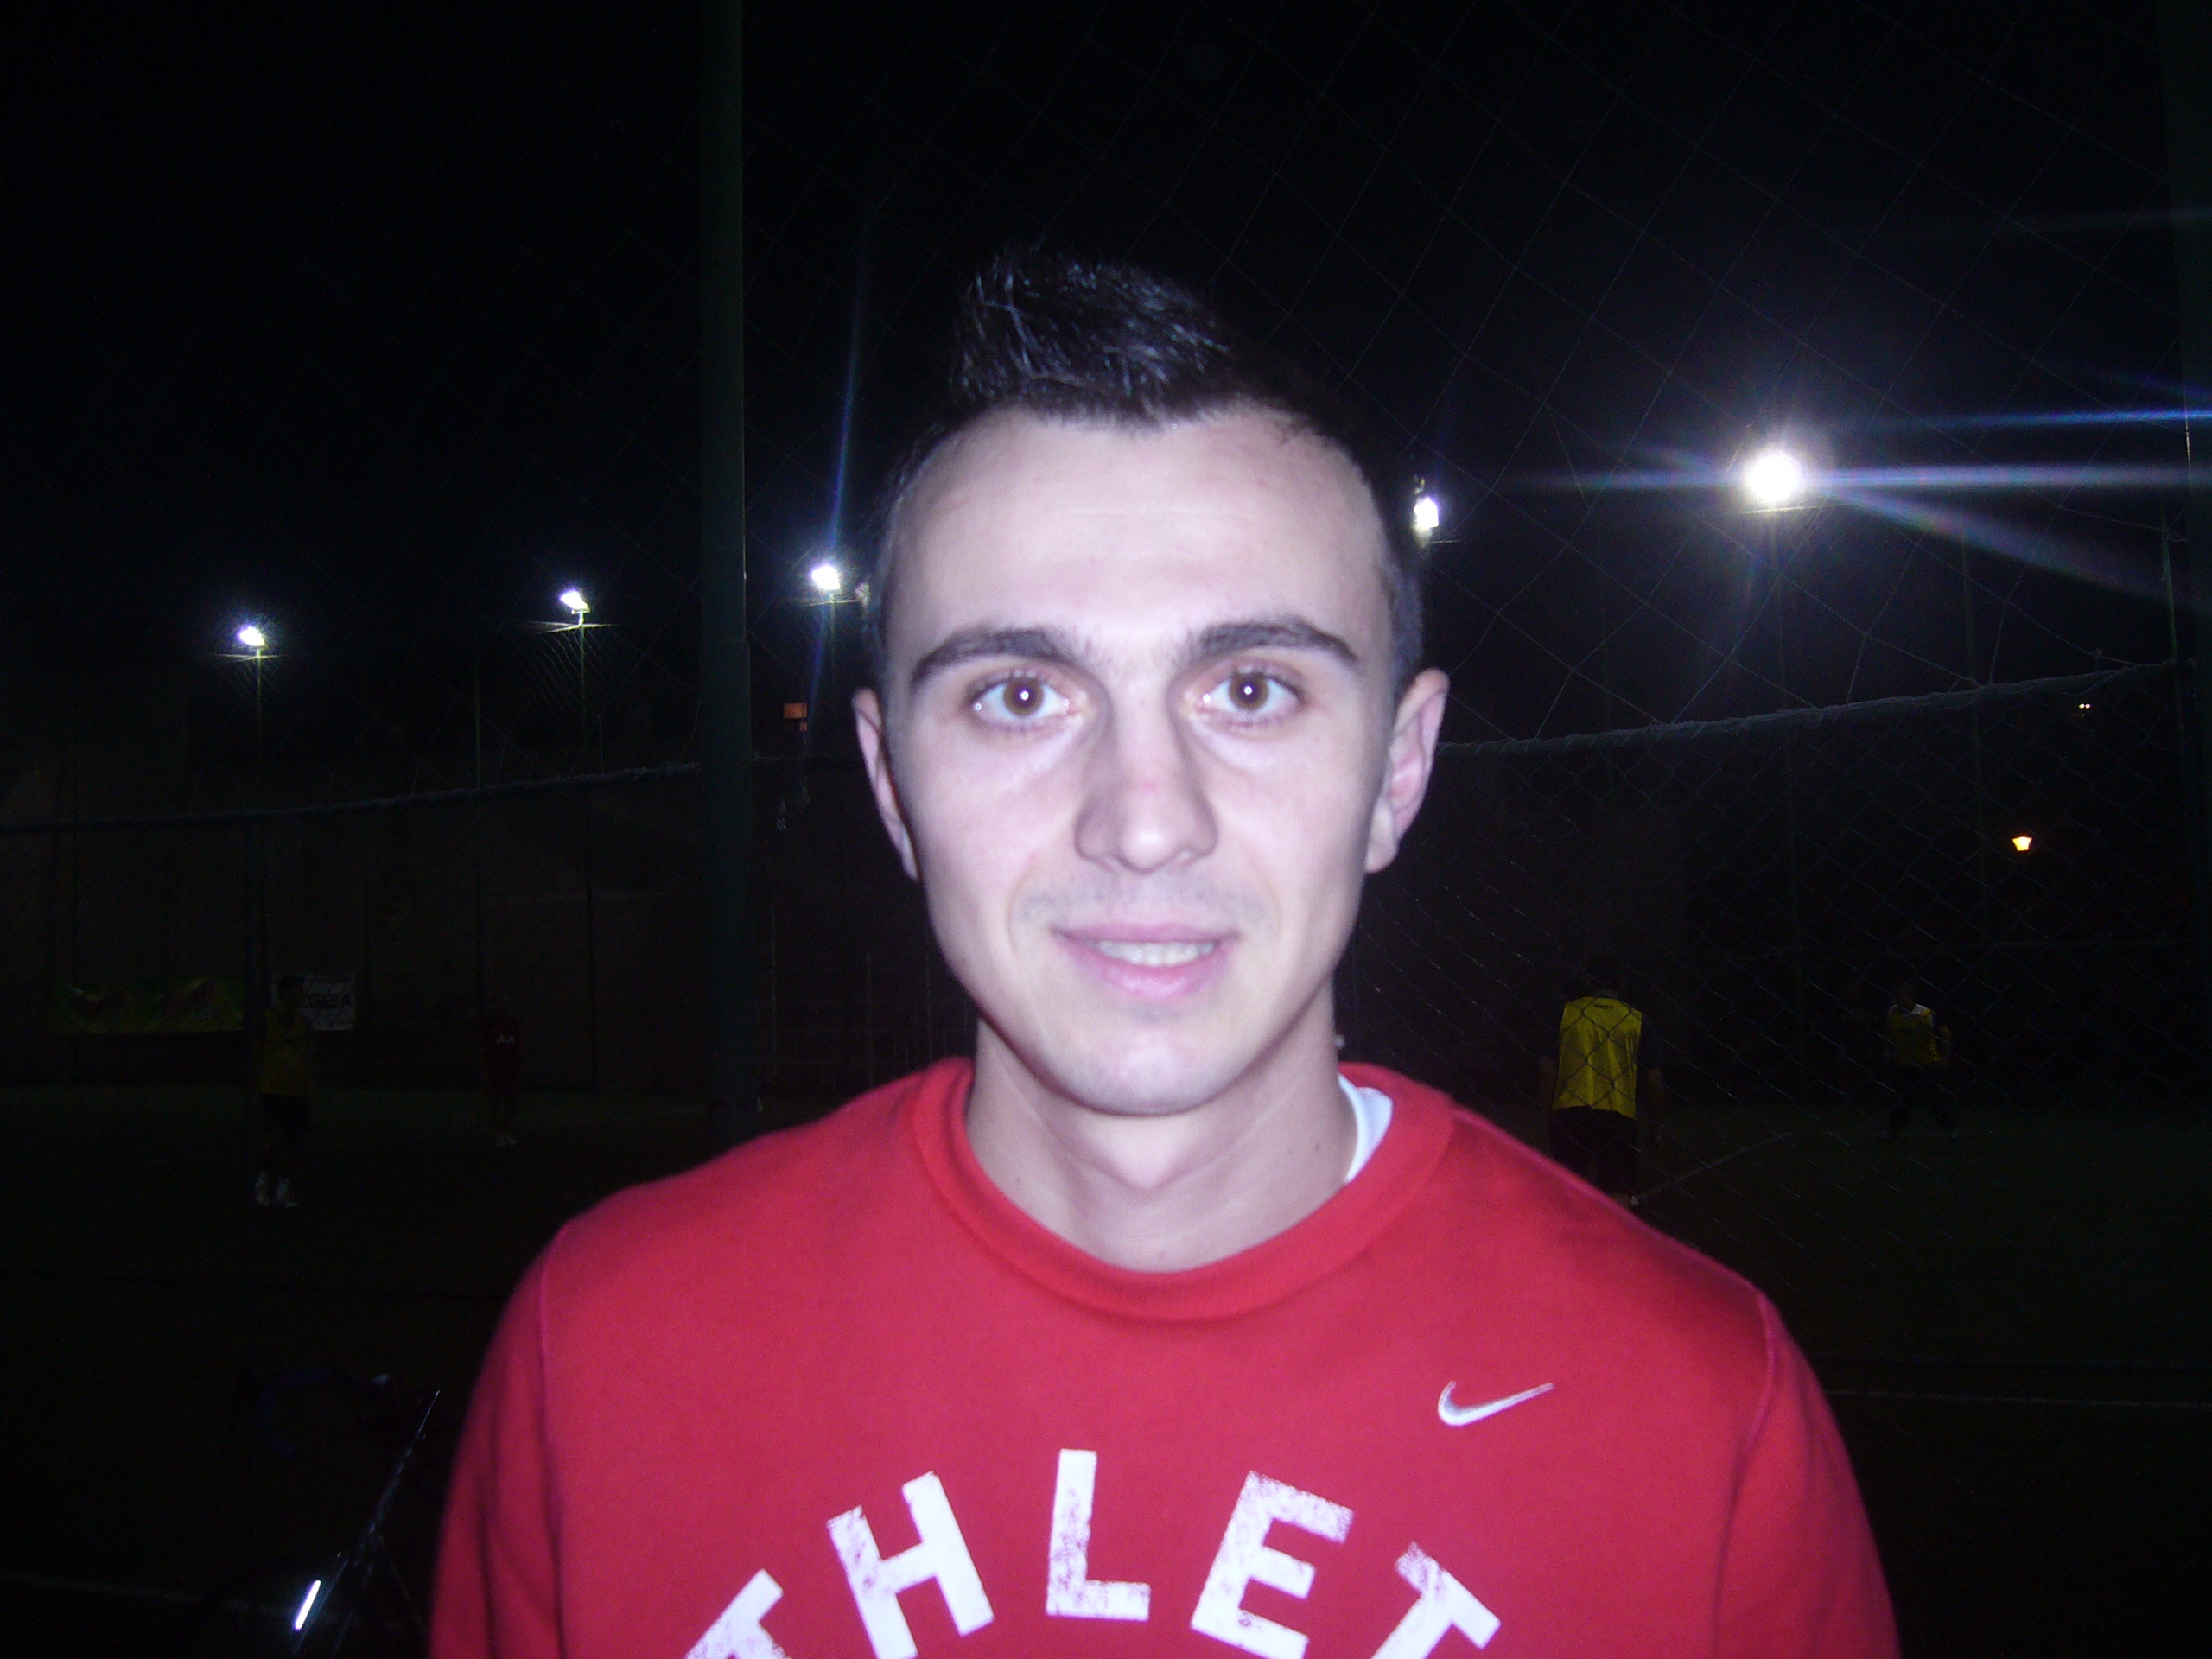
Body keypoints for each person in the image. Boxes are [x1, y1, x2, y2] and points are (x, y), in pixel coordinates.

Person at [433, 251, 1894, 1658]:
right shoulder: (604, 1355)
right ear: (890, 786)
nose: (1144, 822)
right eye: (1019, 696)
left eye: (1251, 690)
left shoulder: (1701, 1415)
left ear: (1399, 771)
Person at [1538, 957, 1663, 1206]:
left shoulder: (1565, 1014)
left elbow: (1547, 1070)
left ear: (1587, 981)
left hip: (1571, 1109)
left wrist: (1547, 1115)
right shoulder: (1636, 1020)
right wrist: (1656, 1127)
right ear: (1622, 982)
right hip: (1618, 1111)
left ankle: (1566, 1229)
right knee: (1618, 1190)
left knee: (1566, 1187)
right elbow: (1654, 1080)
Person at [253, 975, 314, 1207]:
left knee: (291, 1143)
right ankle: (262, 1183)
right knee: (275, 1137)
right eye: (299, 991)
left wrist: (309, 1085)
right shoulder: (265, 1021)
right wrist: (258, 1088)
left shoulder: (303, 1023)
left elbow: (310, 1055)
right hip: (273, 1090)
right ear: (286, 993)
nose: (302, 996)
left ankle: (282, 1192)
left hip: (297, 1093)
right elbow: (255, 1055)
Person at [1881, 978, 1955, 1138]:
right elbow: (1888, 1031)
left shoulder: (1924, 1014)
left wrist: (1945, 1057)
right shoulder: (1893, 1013)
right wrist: (1886, 1049)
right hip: (1904, 1063)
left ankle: (1950, 1130)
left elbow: (1945, 1032)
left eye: (1899, 996)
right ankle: (1894, 1131)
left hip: (1927, 1063)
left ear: (1908, 996)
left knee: (1937, 1098)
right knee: (1901, 1100)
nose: (1895, 1000)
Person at [483, 1004, 522, 1147]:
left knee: (511, 1101)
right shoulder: (491, 1026)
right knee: (495, 1102)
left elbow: (517, 1046)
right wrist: (486, 1069)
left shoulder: (513, 1025)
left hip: (510, 1070)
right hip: (495, 1069)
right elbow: (485, 1049)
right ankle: (498, 1134)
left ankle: (506, 1132)